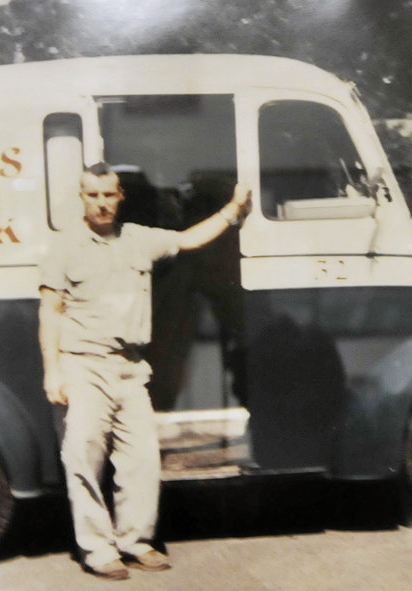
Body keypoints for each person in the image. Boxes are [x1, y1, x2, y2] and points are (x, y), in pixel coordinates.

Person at [38, 162, 251, 580]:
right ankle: (98, 550)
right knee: (83, 455)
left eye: (108, 195)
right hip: (84, 365)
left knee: (141, 459)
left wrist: (233, 208)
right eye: (92, 195)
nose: (101, 203)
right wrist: (53, 372)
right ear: (81, 198)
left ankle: (135, 541)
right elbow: (50, 312)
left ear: (120, 197)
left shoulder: (138, 239)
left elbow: (189, 240)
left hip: (130, 367)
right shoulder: (63, 248)